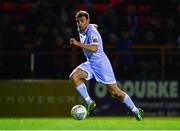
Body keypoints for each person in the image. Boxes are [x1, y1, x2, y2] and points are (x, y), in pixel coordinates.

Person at [69, 10, 144, 120]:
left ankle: (136, 110)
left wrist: (77, 43)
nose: (80, 23)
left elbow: (94, 48)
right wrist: (93, 26)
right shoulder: (82, 28)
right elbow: (95, 25)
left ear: (87, 21)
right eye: (78, 21)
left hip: (102, 65)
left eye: (82, 21)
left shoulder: (92, 32)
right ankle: (89, 102)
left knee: (115, 93)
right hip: (90, 63)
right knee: (74, 77)